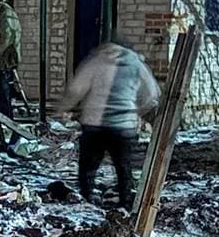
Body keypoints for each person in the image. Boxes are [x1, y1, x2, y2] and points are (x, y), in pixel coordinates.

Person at [63, 41, 161, 207]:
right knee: (123, 166)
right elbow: (152, 94)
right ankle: (126, 202)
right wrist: (136, 111)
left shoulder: (96, 61)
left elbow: (76, 89)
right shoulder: (136, 64)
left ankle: (86, 198)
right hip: (123, 126)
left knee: (88, 166)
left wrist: (65, 108)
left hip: (95, 124)